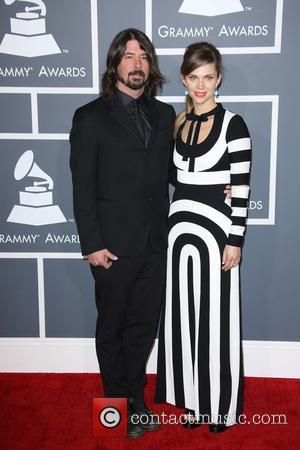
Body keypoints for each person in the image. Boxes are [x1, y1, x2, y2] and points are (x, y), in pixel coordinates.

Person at [69, 28, 176, 439]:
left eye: (143, 56)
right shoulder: (90, 116)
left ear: (151, 65)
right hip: (111, 247)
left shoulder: (164, 115)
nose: (137, 64)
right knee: (112, 328)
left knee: (142, 328)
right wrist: (91, 244)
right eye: (128, 56)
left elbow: (170, 174)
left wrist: (213, 182)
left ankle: (136, 401)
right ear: (114, 64)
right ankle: (113, 409)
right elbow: (83, 187)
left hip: (154, 243)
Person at [155, 42, 251, 433]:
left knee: (218, 322)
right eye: (194, 77)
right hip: (178, 237)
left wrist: (236, 238)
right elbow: (167, 182)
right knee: (182, 321)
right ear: (183, 78)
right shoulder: (174, 125)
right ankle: (192, 402)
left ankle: (221, 406)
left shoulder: (235, 124)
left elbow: (241, 188)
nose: (201, 85)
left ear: (219, 78)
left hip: (217, 239)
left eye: (208, 77)